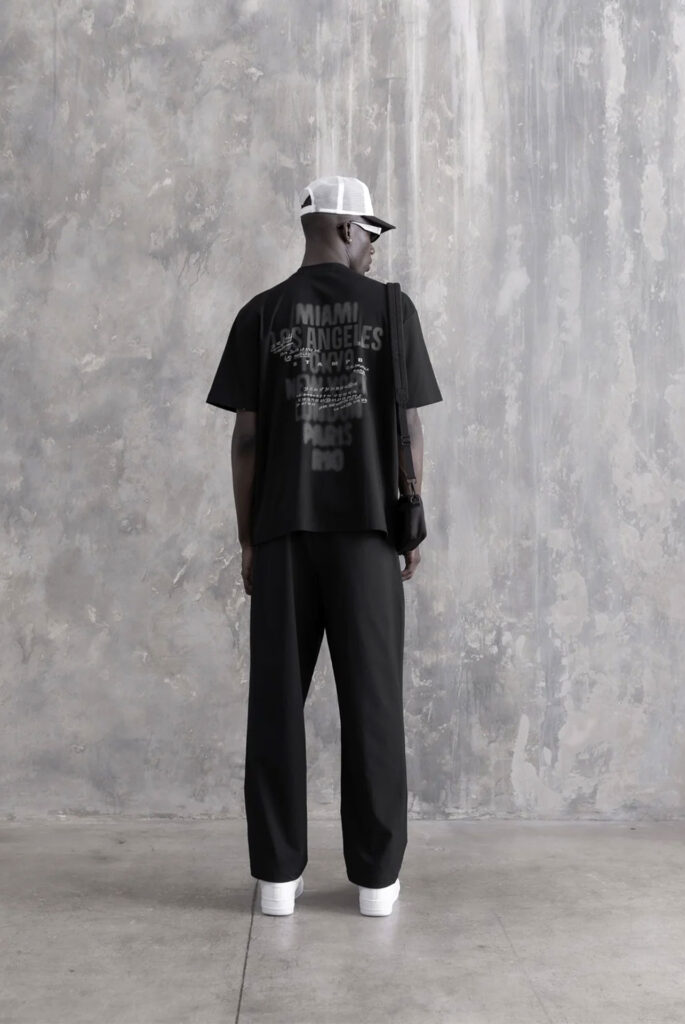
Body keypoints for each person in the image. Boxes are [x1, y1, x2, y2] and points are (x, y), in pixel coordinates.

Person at [206, 175, 443, 917]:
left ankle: (277, 879)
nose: (374, 248)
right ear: (344, 229)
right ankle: (376, 882)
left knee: (276, 704)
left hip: (283, 536)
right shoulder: (392, 309)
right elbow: (409, 427)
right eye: (370, 233)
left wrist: (248, 539)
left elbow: (246, 440)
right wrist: (410, 516)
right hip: (367, 536)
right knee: (373, 705)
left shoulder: (261, 314)